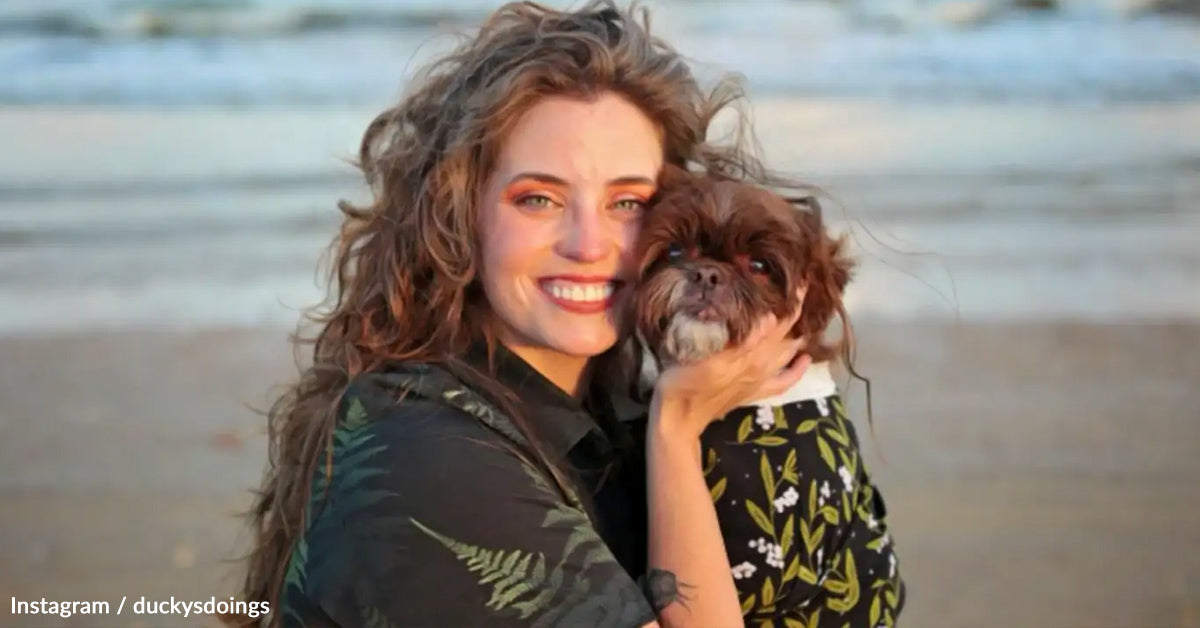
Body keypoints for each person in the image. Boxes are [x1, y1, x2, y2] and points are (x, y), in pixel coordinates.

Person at [228, 2, 815, 626]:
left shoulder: (603, 413)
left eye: (628, 203)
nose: (588, 245)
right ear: (459, 217)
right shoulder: (426, 455)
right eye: (538, 199)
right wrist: (675, 429)